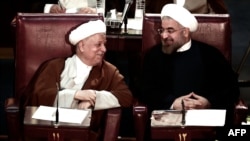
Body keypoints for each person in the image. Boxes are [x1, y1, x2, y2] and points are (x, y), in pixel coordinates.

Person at [24, 20, 133, 141]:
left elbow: (126, 97)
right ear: (81, 46)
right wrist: (76, 95)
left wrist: (94, 98)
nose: (104, 49)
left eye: (104, 44)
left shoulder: (109, 72)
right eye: (98, 44)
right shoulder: (54, 66)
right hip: (49, 134)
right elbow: (36, 96)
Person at [139, 3, 239, 129]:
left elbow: (232, 89)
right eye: (161, 30)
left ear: (185, 32)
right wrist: (172, 103)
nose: (164, 36)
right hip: (165, 126)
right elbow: (143, 90)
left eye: (170, 31)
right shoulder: (153, 56)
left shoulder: (210, 55)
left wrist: (208, 102)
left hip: (205, 126)